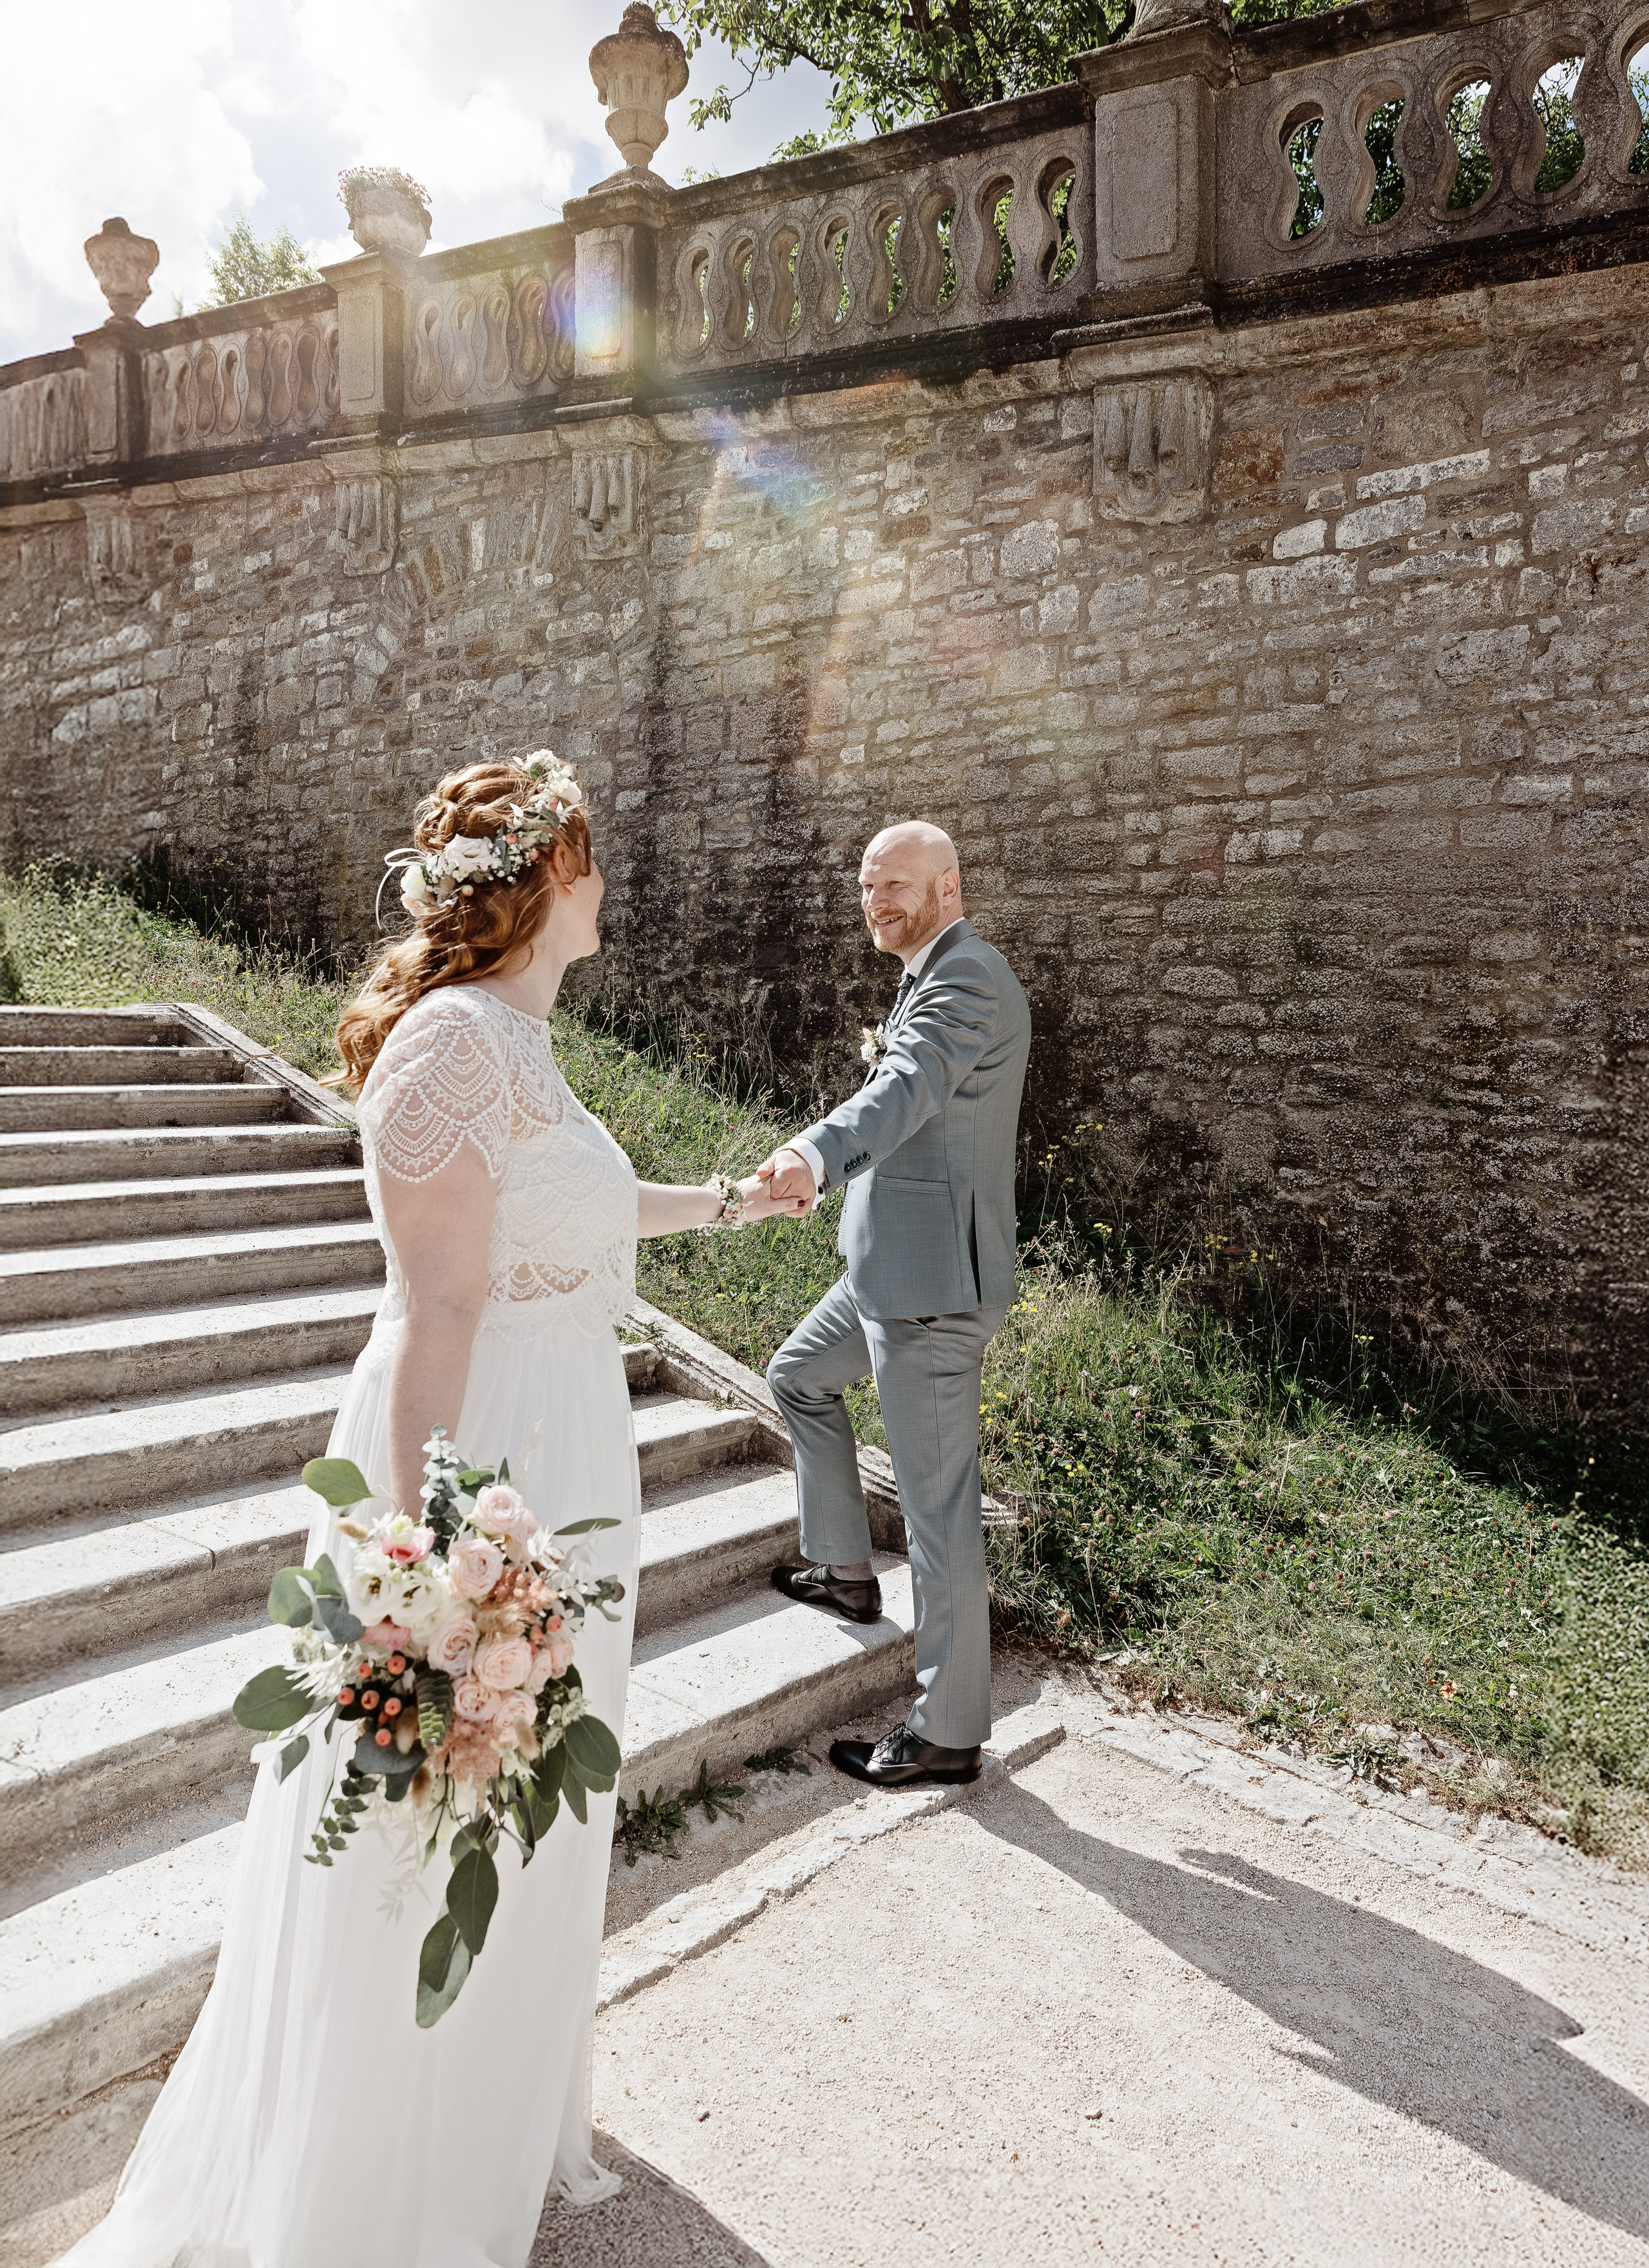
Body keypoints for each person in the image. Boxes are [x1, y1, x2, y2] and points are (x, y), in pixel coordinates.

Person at [59, 754, 791, 2268]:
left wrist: (730, 1200)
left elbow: (571, 1213)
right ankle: (372, 2177)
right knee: (425, 1820)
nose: (604, 883)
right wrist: (427, 1559)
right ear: (540, 882)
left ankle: (481, 2117)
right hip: (492, 1464)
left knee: (529, 1818)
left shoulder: (520, 1043)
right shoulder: (450, 1047)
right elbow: (431, 1312)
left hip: (572, 1453)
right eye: (587, 859)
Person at [759, 821, 1031, 1790]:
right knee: (796, 1375)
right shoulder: (926, 972)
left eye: (898, 885)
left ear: (950, 886)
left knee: (937, 1514)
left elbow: (908, 1089)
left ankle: (948, 1730)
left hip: (929, 1294)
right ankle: (840, 1564)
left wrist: (813, 1156)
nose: (878, 902)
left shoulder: (969, 975)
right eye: (868, 887)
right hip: (884, 1275)